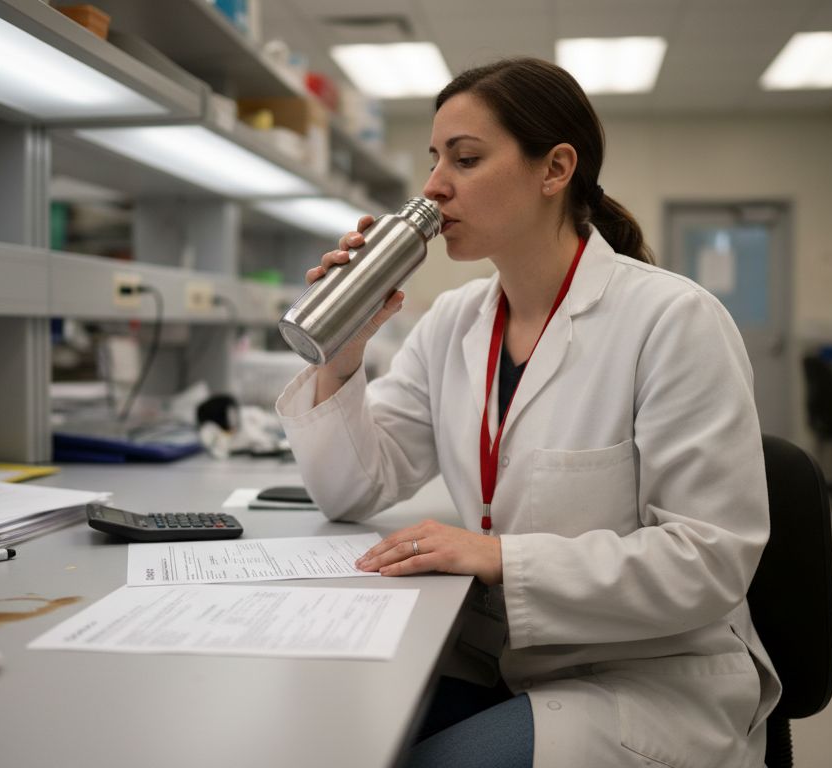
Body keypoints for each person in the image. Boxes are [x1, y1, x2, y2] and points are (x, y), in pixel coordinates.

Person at [275, 58, 780, 768]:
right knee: (326, 740)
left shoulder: (673, 320)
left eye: (466, 158)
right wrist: (343, 349)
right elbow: (352, 489)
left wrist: (500, 557)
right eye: (434, 160)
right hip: (497, 661)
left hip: (642, 679)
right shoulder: (454, 323)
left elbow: (708, 562)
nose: (433, 186)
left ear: (555, 170)